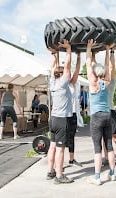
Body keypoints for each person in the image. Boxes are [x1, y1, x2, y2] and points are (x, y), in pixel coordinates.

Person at [86, 39, 116, 185]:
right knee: (109, 145)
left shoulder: (93, 83)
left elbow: (87, 64)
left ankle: (97, 177)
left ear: (94, 73)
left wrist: (88, 48)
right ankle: (112, 173)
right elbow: (108, 68)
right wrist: (107, 50)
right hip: (107, 115)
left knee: (97, 148)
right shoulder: (107, 82)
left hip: (97, 117)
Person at [46, 39, 74, 184]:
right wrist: (68, 49)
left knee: (52, 146)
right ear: (61, 74)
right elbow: (68, 65)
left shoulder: (52, 83)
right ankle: (59, 176)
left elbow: (52, 68)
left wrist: (54, 54)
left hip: (53, 120)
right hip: (62, 120)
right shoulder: (63, 83)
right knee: (60, 149)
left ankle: (50, 172)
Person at [102, 46, 116, 173]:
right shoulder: (99, 83)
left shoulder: (111, 82)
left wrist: (110, 51)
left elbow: (110, 67)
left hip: (110, 112)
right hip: (101, 113)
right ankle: (106, 158)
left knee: (115, 137)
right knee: (104, 138)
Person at [68, 52, 82, 167]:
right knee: (69, 138)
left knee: (65, 139)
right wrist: (78, 56)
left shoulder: (58, 83)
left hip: (66, 114)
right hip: (69, 114)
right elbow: (76, 71)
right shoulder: (70, 83)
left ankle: (70, 160)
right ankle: (70, 160)